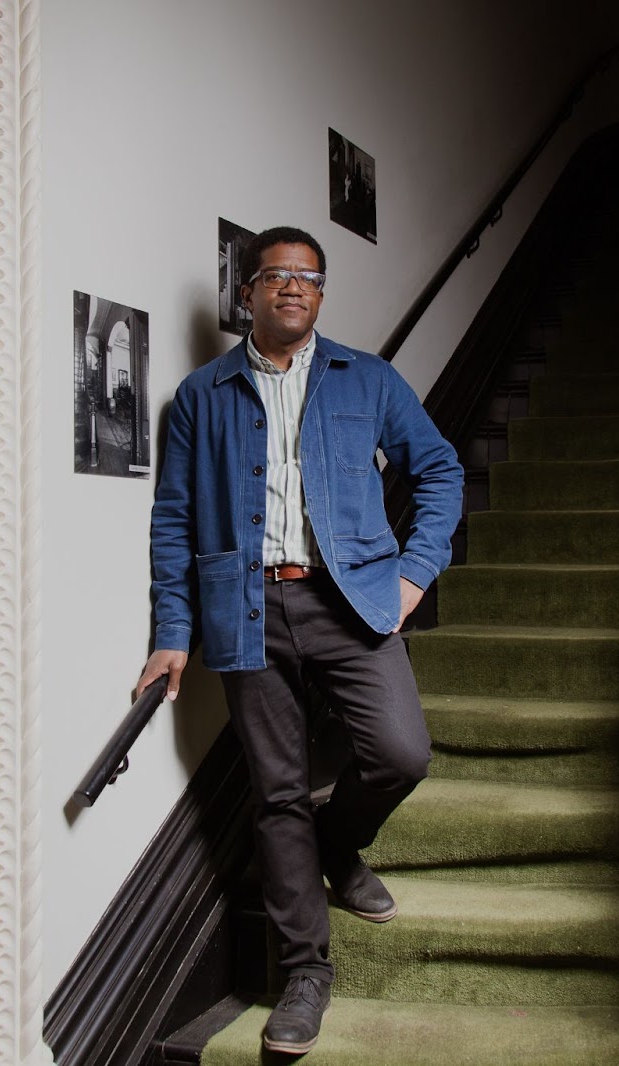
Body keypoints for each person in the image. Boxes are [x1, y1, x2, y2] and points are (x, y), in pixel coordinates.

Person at [137, 226, 463, 1054]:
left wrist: (415, 573)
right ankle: (305, 974)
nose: (291, 286)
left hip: (353, 600)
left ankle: (337, 842)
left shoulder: (369, 379)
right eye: (275, 275)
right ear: (246, 294)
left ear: (320, 295)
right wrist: (174, 632)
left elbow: (441, 470)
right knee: (277, 792)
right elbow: (174, 520)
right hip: (245, 611)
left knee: (400, 753)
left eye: (307, 277)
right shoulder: (201, 398)